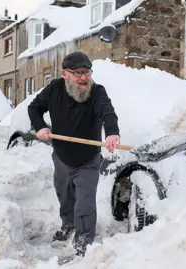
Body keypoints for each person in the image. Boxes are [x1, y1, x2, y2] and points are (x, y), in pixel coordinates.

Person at [28, 51, 121, 256]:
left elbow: (107, 111)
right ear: (65, 74)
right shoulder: (54, 90)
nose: (83, 77)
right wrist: (41, 126)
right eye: (78, 73)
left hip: (88, 159)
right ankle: (68, 225)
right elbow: (34, 108)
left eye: (87, 72)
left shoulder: (97, 92)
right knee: (65, 196)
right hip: (61, 156)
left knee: (85, 203)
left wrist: (112, 133)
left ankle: (83, 244)